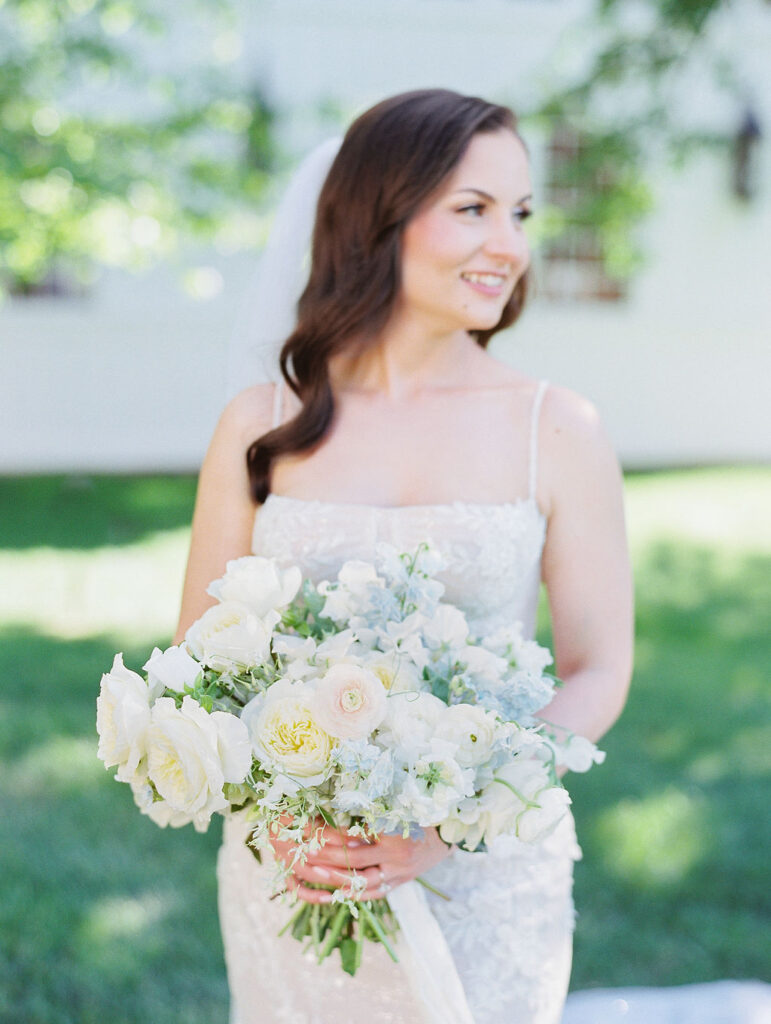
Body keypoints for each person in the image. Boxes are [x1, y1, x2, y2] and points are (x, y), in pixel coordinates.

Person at [173, 88, 633, 1024]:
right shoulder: (261, 427)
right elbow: (198, 655)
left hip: (488, 866)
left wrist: (452, 820)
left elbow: (598, 670)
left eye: (520, 213)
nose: (509, 243)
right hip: (294, 863)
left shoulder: (559, 428)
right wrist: (289, 804)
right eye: (472, 209)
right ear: (376, 218)